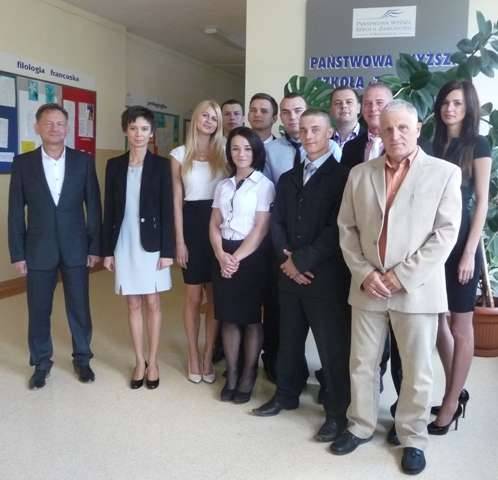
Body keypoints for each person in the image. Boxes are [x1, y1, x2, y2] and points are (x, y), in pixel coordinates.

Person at [331, 100, 462, 475]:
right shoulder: (360, 174)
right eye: (387, 129)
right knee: (362, 363)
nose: (395, 135)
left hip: (416, 289)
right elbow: (346, 229)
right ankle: (360, 425)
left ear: (418, 129)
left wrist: (401, 276)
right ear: (378, 132)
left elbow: (445, 234)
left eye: (403, 127)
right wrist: (364, 273)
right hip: (368, 286)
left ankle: (413, 437)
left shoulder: (444, 173)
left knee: (417, 370)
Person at [253, 109, 351, 444]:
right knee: (289, 340)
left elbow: (337, 228)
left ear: (329, 134)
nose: (309, 135)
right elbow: (277, 222)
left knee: (330, 348)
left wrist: (302, 261)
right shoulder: (288, 178)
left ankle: (337, 413)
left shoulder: (343, 177)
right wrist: (288, 261)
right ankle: (286, 394)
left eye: (316, 129)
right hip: (288, 275)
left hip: (324, 277)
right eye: (305, 130)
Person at [8, 103, 102, 389]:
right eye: (48, 123)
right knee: (38, 309)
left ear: (67, 127)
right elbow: (15, 211)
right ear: (37, 127)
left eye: (60, 123)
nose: (54, 128)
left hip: (76, 247)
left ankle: (82, 358)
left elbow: (94, 206)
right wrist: (18, 253)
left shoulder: (83, 161)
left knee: (80, 307)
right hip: (38, 249)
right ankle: (41, 362)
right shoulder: (23, 163)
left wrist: (94, 247)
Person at [429, 80, 491, 434]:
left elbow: (481, 201)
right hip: (432, 244)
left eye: (457, 103)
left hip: (461, 244)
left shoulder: (478, 143)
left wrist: (469, 253)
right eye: (445, 102)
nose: (449, 109)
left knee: (460, 326)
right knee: (438, 320)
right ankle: (457, 388)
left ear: (468, 108)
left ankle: (451, 401)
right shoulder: (431, 144)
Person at [102, 106, 175, 389]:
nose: (139, 134)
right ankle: (139, 361)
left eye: (144, 129)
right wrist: (107, 251)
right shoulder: (114, 165)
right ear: (125, 131)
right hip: (124, 241)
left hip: (152, 244)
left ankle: (153, 361)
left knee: (152, 302)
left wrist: (168, 251)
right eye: (133, 128)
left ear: (151, 132)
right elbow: (109, 210)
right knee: (132, 303)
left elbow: (168, 210)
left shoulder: (162, 166)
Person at [210, 126, 275, 403]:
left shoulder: (264, 185)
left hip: (251, 257)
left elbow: (260, 229)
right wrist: (220, 254)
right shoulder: (222, 186)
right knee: (228, 316)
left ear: (256, 152)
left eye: (247, 148)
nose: (241, 153)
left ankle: (249, 374)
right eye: (235, 148)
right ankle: (233, 373)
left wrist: (235, 259)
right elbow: (214, 223)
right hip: (223, 254)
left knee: (250, 319)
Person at [170, 99, 226, 384]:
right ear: (195, 118)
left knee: (214, 297)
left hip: (218, 226)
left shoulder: (225, 152)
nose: (209, 121)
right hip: (191, 226)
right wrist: (179, 241)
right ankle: (192, 354)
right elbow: (176, 201)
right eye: (205, 115)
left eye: (214, 118)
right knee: (193, 297)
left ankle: (207, 355)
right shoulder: (179, 154)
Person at [341, 82, 393, 170]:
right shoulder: (350, 147)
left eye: (379, 103)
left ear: (392, 105)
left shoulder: (405, 143)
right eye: (367, 103)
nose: (373, 108)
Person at [329, 86, 364, 152]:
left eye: (349, 102)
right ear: (331, 110)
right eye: (338, 103)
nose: (343, 106)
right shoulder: (323, 140)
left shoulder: (370, 140)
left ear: (358, 108)